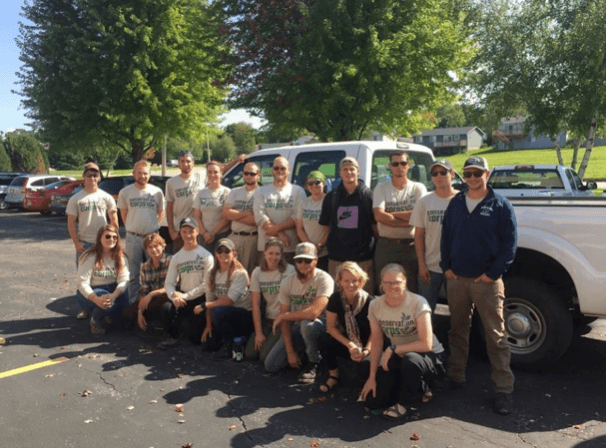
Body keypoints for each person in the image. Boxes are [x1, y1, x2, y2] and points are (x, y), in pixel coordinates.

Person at [440, 156, 517, 416]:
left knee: (496, 336)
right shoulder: (456, 203)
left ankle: (504, 390)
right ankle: (456, 376)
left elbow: (510, 245)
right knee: (457, 330)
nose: (472, 178)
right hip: (457, 280)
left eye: (477, 173)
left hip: (486, 282)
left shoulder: (500, 205)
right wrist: (446, 266)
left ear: (487, 173)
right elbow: (446, 236)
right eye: (468, 174)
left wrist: (492, 274)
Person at [360, 264, 446, 420]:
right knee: (373, 401)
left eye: (397, 282)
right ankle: (419, 387)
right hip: (400, 354)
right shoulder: (375, 305)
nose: (392, 286)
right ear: (381, 284)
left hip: (430, 357)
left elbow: (425, 344)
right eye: (387, 282)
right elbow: (377, 342)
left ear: (405, 281)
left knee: (411, 360)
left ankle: (406, 404)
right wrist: (372, 377)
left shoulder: (418, 302)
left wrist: (393, 348)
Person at [264, 242, 334, 383]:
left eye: (308, 260)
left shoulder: (324, 279)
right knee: (271, 365)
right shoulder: (287, 282)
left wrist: (285, 315)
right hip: (297, 326)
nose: (303, 264)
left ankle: (314, 362)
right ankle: (301, 353)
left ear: (316, 260)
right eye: (299, 260)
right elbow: (285, 320)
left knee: (307, 325)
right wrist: (289, 351)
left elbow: (314, 312)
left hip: (323, 326)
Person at [67, 162, 119, 319]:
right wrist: (76, 243)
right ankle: (85, 308)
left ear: (99, 177)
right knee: (85, 279)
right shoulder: (76, 198)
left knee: (106, 276)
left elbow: (113, 219)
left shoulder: (106, 197)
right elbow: (71, 223)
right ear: (83, 177)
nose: (92, 178)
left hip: (104, 244)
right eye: (89, 175)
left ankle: (106, 307)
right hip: (85, 244)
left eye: (95, 175)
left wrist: (113, 238)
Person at [319, 157, 376, 294]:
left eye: (352, 169)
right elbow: (326, 227)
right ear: (340, 173)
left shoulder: (368, 195)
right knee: (338, 297)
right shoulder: (331, 197)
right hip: (337, 257)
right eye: (345, 169)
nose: (349, 172)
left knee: (364, 297)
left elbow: (375, 227)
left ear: (358, 171)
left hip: (363, 258)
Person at [373, 150, 427, 293]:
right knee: (384, 287)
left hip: (410, 247)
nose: (399, 166)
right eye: (395, 163)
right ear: (390, 166)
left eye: (403, 163)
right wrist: (410, 220)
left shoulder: (418, 188)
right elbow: (378, 216)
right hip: (386, 246)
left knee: (410, 288)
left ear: (408, 165)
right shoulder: (381, 188)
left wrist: (390, 215)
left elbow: (420, 216)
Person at [409, 159, 457, 312]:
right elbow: (418, 236)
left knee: (459, 313)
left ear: (452, 174)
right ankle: (427, 337)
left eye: (443, 172)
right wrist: (421, 265)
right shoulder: (424, 202)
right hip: (430, 268)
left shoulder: (462, 200)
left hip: (457, 268)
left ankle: (456, 337)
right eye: (434, 173)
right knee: (425, 312)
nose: (439, 176)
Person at [194, 238, 253, 359]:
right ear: (215, 253)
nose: (223, 254)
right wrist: (209, 325)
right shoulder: (211, 273)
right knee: (206, 344)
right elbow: (210, 299)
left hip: (243, 314)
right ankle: (225, 340)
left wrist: (205, 305)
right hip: (223, 315)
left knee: (218, 311)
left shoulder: (240, 273)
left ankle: (229, 346)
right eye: (219, 250)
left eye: (227, 251)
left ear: (234, 253)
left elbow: (229, 300)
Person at [319, 261, 374, 393]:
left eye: (354, 280)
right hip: (349, 342)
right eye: (346, 280)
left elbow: (375, 332)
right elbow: (331, 327)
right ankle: (333, 375)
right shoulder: (335, 299)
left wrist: (366, 351)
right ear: (340, 281)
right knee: (324, 338)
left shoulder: (370, 301)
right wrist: (350, 345)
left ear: (361, 281)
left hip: (369, 345)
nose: (350, 284)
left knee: (362, 373)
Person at [161, 217, 214, 349]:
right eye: (184, 231)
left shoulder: (206, 255)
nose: (187, 235)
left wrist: (186, 296)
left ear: (197, 232)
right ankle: (174, 335)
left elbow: (206, 284)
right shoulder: (177, 257)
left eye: (191, 231)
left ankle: (191, 329)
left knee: (195, 339)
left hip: (200, 299)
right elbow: (169, 283)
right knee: (166, 308)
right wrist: (174, 296)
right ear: (180, 233)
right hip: (183, 298)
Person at [117, 160, 164, 302]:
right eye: (139, 173)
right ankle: (134, 303)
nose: (142, 176)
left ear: (149, 174)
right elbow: (124, 215)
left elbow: (161, 212)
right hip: (134, 238)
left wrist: (153, 226)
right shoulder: (125, 192)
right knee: (133, 274)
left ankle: (154, 303)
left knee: (155, 272)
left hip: (153, 237)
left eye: (145, 173)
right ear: (133, 173)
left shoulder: (156, 192)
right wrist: (133, 227)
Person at [244, 237, 296, 362]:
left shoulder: (290, 271)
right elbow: (255, 304)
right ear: (264, 254)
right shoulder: (257, 272)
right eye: (270, 253)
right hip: (268, 318)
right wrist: (259, 332)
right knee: (250, 354)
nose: (274, 257)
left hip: (284, 319)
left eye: (277, 254)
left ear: (282, 255)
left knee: (264, 357)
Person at [76, 224, 130, 335]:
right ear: (100, 238)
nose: (111, 239)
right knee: (104, 297)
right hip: (92, 292)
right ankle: (96, 320)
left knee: (127, 321)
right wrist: (95, 299)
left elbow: (124, 280)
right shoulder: (89, 256)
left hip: (113, 291)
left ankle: (107, 314)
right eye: (108, 236)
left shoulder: (121, 256)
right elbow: (82, 283)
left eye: (115, 237)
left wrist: (114, 295)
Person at [253, 156, 306, 264]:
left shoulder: (298, 191)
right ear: (272, 170)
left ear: (289, 170)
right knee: (266, 279)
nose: (279, 171)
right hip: (266, 248)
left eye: (283, 168)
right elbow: (260, 215)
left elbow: (297, 216)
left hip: (290, 247)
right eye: (276, 168)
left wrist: (276, 229)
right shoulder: (261, 191)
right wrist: (281, 234)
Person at [223, 161, 261, 274]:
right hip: (234, 237)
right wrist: (246, 213)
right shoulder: (234, 192)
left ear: (258, 175)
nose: (249, 176)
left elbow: (257, 220)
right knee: (229, 272)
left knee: (247, 273)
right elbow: (226, 213)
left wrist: (235, 215)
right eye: (246, 173)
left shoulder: (262, 193)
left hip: (252, 239)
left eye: (252, 174)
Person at [165, 151, 206, 254]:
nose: (185, 164)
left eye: (188, 161)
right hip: (180, 230)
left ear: (193, 162)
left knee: (198, 259)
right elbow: (169, 207)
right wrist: (171, 231)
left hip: (199, 228)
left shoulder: (201, 177)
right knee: (181, 259)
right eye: (182, 161)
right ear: (178, 163)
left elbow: (220, 170)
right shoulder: (171, 182)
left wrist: (236, 160)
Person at [137, 233, 172, 332]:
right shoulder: (145, 266)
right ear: (146, 250)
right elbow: (143, 291)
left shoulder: (171, 261)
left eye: (156, 246)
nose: (153, 249)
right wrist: (140, 312)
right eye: (150, 247)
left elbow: (173, 286)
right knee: (128, 313)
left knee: (166, 309)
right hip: (151, 299)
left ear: (163, 246)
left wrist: (152, 294)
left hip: (168, 297)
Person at [193, 161, 231, 252]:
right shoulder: (201, 193)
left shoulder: (227, 192)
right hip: (203, 236)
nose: (212, 175)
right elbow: (197, 216)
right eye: (209, 172)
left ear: (221, 173)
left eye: (215, 172)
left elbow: (227, 218)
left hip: (222, 235)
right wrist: (205, 234)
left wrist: (213, 233)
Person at [296, 171, 329, 272]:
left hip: (325, 251)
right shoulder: (304, 202)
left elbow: (329, 229)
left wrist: (319, 246)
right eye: (310, 183)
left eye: (317, 182)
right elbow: (299, 228)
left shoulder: (328, 200)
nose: (314, 185)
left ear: (323, 183)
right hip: (307, 252)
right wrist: (309, 247)